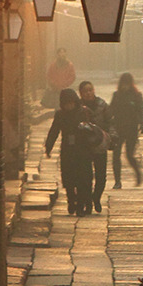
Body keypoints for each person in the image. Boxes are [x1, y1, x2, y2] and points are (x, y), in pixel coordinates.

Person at [44, 88, 97, 216]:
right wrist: (48, 147)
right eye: (66, 104)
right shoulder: (60, 115)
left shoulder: (84, 112)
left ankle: (81, 204)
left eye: (71, 103)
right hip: (68, 150)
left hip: (84, 151)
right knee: (68, 179)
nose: (69, 106)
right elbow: (54, 131)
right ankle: (71, 200)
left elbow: (95, 130)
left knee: (83, 179)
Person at [78, 80, 112, 213]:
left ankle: (96, 197)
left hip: (99, 144)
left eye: (90, 90)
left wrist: (112, 136)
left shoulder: (102, 105)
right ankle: (88, 202)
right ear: (80, 93)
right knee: (85, 176)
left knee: (101, 175)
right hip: (83, 146)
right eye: (85, 91)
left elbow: (110, 121)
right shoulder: (78, 107)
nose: (88, 93)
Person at [109, 72, 143, 189]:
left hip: (131, 128)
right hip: (118, 128)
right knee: (116, 155)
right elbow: (110, 111)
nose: (125, 86)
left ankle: (138, 173)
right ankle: (117, 181)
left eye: (127, 83)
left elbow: (142, 110)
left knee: (130, 155)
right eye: (123, 83)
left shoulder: (136, 96)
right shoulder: (116, 95)